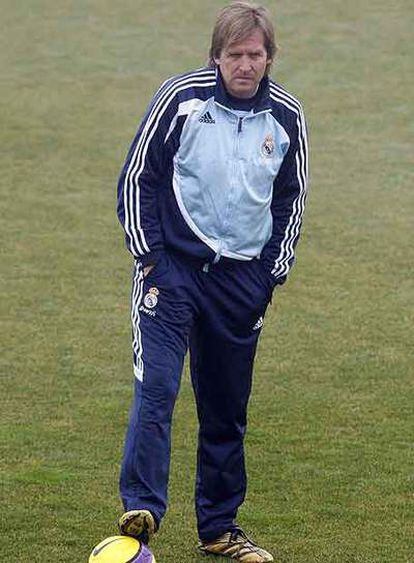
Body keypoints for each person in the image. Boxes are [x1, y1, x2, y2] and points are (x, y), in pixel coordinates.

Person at [116, 2, 308, 561]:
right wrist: (150, 257)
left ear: (269, 57)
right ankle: (142, 514)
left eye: (255, 55)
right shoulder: (181, 101)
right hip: (171, 273)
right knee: (157, 390)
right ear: (216, 56)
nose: (245, 64)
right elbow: (138, 176)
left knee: (225, 408)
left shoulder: (288, 117)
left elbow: (291, 198)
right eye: (234, 55)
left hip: (241, 283)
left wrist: (269, 274)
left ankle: (220, 529)